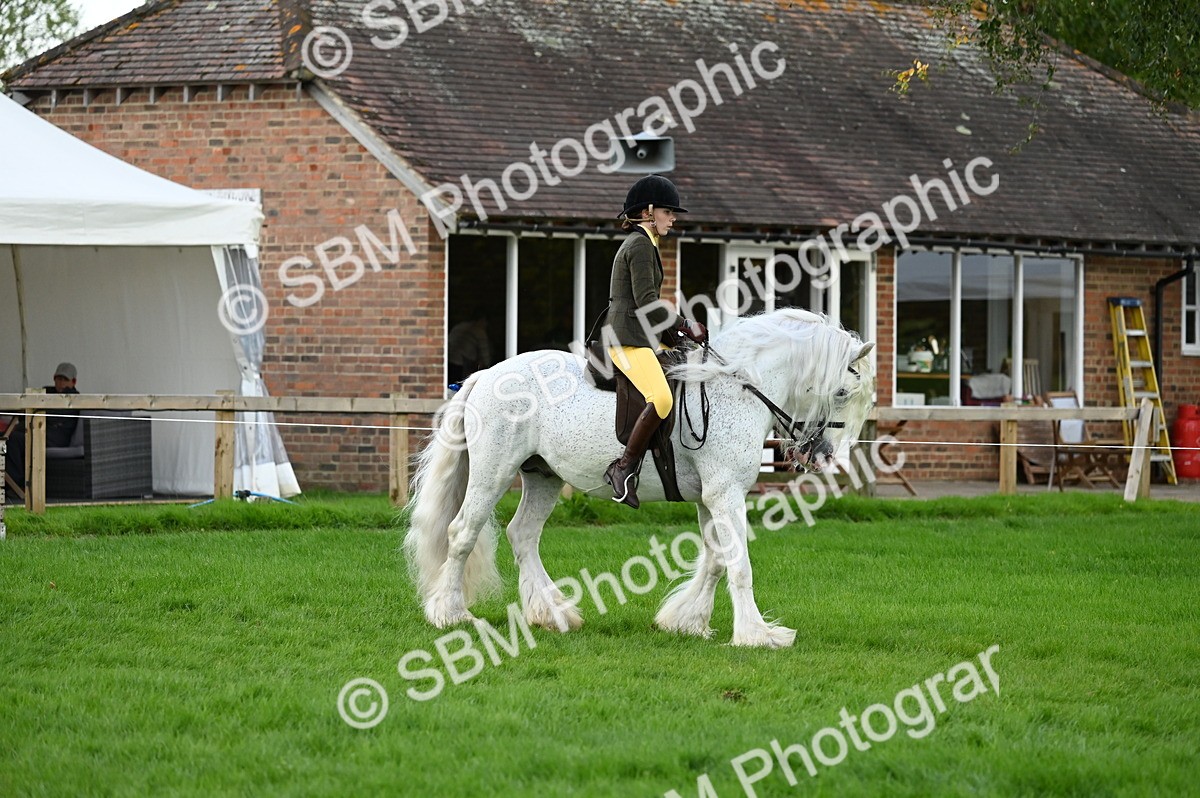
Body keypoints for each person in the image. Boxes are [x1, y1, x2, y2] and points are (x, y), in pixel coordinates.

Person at [604, 175, 707, 508]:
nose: (673, 218)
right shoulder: (639, 245)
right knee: (661, 398)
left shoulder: (645, 243)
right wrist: (685, 324)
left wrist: (675, 336)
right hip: (626, 338)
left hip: (640, 335)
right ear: (648, 211)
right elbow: (647, 301)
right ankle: (622, 469)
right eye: (668, 212)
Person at [4, 362, 80, 492]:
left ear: (73, 382)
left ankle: (16, 486)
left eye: (65, 380)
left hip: (54, 439)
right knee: (9, 436)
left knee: (13, 439)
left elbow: (55, 417)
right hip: (37, 431)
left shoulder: (74, 398)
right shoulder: (47, 392)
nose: (61, 383)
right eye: (58, 379)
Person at [447, 315, 492, 383]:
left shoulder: (459, 326)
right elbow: (485, 354)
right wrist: (490, 369)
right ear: (482, 320)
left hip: (449, 360)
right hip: (462, 364)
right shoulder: (479, 332)